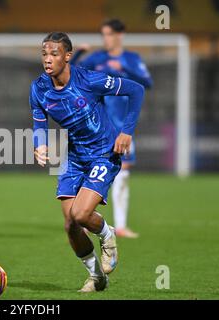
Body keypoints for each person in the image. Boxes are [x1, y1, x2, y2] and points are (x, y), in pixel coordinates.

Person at [30, 32, 144, 292]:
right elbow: (39, 121)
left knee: (81, 214)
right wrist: (39, 145)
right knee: (70, 225)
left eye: (54, 54)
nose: (48, 60)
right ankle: (97, 277)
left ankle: (107, 234)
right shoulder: (38, 88)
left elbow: (135, 90)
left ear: (67, 56)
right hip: (74, 157)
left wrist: (126, 131)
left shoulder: (89, 80)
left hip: (104, 152)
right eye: (44, 54)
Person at [71, 19, 153, 238]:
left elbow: (147, 82)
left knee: (123, 175)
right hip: (99, 128)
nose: (105, 39)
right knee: (91, 172)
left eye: (108, 34)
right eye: (103, 34)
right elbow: (72, 73)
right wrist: (78, 53)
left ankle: (121, 225)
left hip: (124, 127)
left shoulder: (132, 59)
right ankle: (87, 219)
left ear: (120, 35)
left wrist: (124, 69)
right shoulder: (97, 59)